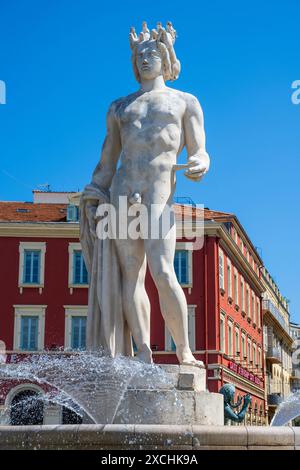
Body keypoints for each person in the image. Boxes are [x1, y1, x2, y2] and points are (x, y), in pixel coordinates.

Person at [80, 22, 210, 366]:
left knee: (164, 270)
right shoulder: (120, 108)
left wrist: (200, 162)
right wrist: (94, 194)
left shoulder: (185, 102)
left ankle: (184, 351)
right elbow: (107, 160)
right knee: (130, 275)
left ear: (166, 59)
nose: (145, 59)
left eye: (152, 53)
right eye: (140, 55)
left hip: (158, 195)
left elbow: (199, 150)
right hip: (122, 194)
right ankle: (143, 353)